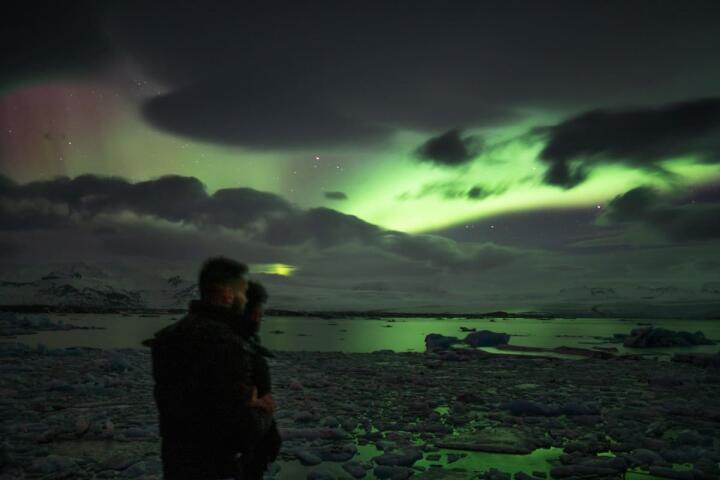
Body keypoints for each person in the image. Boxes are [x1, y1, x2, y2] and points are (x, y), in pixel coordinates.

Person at [143, 257, 275, 479]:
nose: (244, 299)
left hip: (177, 466)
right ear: (227, 294)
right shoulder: (227, 346)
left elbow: (179, 407)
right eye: (242, 292)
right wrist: (263, 408)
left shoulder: (169, 337)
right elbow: (241, 428)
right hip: (216, 469)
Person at [236, 281, 282, 478]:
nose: (260, 318)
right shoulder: (237, 351)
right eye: (258, 312)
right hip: (242, 454)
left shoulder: (247, 346)